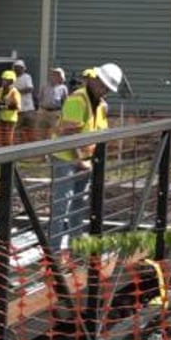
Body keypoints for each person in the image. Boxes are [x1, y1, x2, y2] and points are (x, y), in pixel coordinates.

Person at [49, 62, 124, 250]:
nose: (105, 91)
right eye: (104, 86)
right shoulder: (78, 100)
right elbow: (69, 135)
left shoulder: (99, 104)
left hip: (85, 161)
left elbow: (100, 132)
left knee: (78, 206)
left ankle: (76, 250)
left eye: (108, 88)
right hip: (67, 159)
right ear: (94, 80)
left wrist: (90, 161)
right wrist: (79, 161)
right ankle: (54, 255)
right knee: (61, 207)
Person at [0, 69, 21, 148]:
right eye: (3, 80)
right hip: (1, 118)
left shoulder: (14, 92)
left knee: (8, 140)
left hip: (10, 120)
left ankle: (8, 157)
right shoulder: (1, 90)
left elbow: (17, 106)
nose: (3, 82)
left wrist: (5, 107)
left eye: (5, 80)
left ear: (11, 81)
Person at [37, 67, 69, 139]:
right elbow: (39, 98)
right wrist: (40, 110)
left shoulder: (63, 88)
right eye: (53, 74)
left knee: (54, 134)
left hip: (55, 113)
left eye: (56, 75)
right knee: (40, 133)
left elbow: (65, 102)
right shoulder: (44, 86)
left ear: (60, 77)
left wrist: (63, 114)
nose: (53, 76)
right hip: (43, 112)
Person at [12, 59, 36, 141]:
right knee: (16, 132)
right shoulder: (12, 79)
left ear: (23, 68)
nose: (17, 69)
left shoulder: (27, 77)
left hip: (28, 109)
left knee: (32, 130)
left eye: (19, 68)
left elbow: (30, 89)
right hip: (17, 110)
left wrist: (17, 92)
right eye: (16, 68)